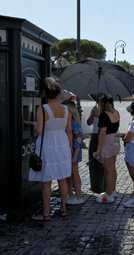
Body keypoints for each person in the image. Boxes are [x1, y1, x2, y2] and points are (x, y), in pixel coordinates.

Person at [29, 78, 72, 220]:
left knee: (46, 181)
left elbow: (40, 131)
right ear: (59, 95)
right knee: (62, 179)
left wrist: (34, 125)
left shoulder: (42, 109)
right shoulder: (66, 109)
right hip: (63, 145)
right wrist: (70, 147)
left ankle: (46, 213)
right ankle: (64, 209)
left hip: (47, 145)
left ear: (46, 94)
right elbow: (69, 131)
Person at [95, 93, 121, 203]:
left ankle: (109, 194)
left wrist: (98, 149)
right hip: (115, 141)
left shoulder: (104, 115)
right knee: (113, 168)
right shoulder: (116, 113)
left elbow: (102, 133)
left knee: (108, 169)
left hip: (107, 142)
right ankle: (112, 190)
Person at [64, 101, 84, 204]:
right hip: (68, 152)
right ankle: (70, 194)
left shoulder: (75, 125)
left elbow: (78, 142)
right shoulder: (68, 124)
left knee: (74, 173)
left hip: (74, 153)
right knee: (69, 174)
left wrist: (75, 156)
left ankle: (79, 195)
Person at [87, 93, 106, 193]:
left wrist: (99, 115)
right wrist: (92, 114)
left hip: (103, 136)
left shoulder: (106, 111)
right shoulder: (94, 109)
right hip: (94, 135)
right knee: (92, 160)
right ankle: (93, 184)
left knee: (101, 161)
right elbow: (88, 122)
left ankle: (102, 185)